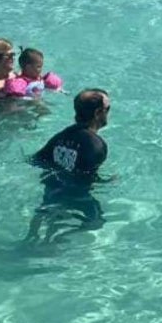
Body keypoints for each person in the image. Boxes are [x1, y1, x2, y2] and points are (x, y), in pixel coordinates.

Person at [28, 89, 112, 239]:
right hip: (75, 196)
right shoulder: (96, 145)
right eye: (108, 109)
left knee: (46, 227)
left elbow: (36, 160)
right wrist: (105, 181)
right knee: (97, 222)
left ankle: (41, 238)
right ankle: (60, 239)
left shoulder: (62, 136)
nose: (109, 113)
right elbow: (86, 177)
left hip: (51, 192)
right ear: (98, 112)